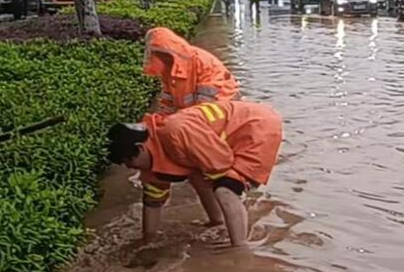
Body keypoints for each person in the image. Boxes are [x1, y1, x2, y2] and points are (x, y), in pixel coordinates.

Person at [108, 101, 283, 247]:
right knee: (199, 176)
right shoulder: (151, 159)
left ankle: (240, 249)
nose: (129, 167)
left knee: (226, 189)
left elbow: (221, 163)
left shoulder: (176, 131)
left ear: (139, 149)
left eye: (127, 162)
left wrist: (228, 181)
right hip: (226, 137)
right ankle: (218, 222)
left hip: (256, 126)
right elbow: (153, 203)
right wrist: (148, 242)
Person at [143, 27, 239, 117]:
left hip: (220, 111)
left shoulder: (202, 63)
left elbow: (208, 105)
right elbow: (168, 103)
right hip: (194, 114)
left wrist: (183, 119)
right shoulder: (168, 68)